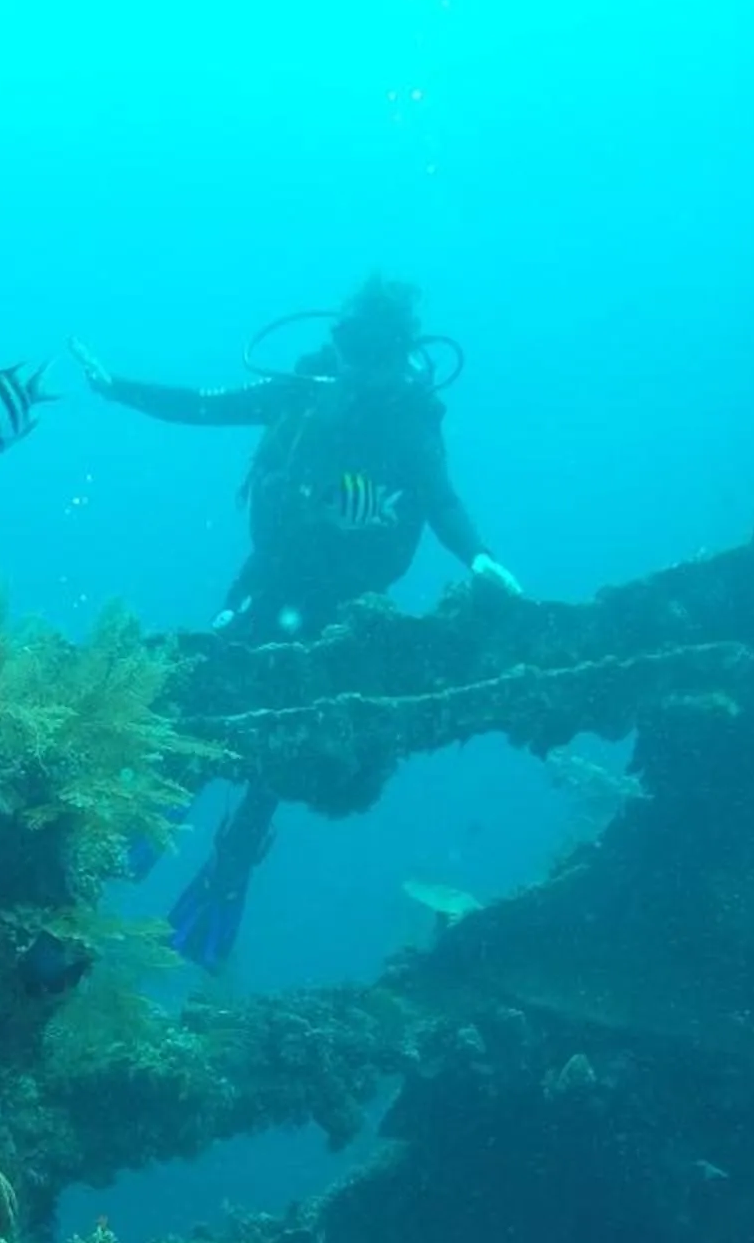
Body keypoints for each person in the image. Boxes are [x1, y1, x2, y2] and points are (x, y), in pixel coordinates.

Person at [74, 274, 521, 967]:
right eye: (350, 344)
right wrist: (117, 387)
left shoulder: (410, 421)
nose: (359, 365)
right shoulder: (300, 391)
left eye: (376, 353)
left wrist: (482, 560)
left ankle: (235, 857)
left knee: (288, 734)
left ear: (401, 355)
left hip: (348, 606)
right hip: (271, 578)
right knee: (214, 690)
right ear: (335, 340)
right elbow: (200, 405)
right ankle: (158, 809)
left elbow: (441, 502)